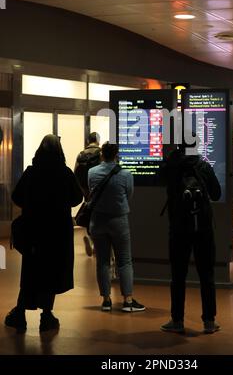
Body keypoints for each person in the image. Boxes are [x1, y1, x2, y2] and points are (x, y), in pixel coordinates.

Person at [5, 135, 83, 332]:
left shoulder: (32, 172)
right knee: (52, 272)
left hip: (34, 231)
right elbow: (77, 198)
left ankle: (20, 314)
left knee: (31, 272)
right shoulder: (65, 173)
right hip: (58, 234)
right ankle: (46, 316)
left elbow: (16, 196)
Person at [160, 145, 221, 334]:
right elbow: (216, 194)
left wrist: (171, 160)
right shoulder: (203, 166)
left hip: (179, 228)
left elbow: (160, 181)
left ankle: (177, 320)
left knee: (178, 276)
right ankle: (209, 321)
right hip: (202, 228)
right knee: (207, 275)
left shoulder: (172, 166)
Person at [88, 142, 145, 312]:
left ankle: (106, 300)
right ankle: (127, 300)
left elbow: (91, 192)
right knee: (124, 261)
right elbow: (129, 195)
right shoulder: (126, 174)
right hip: (119, 220)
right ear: (117, 155)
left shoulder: (92, 172)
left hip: (97, 220)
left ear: (101, 155)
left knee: (102, 261)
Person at [74, 132, 101, 256]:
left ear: (88, 140)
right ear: (98, 140)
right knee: (99, 215)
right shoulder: (101, 153)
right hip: (98, 188)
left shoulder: (81, 154)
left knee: (89, 211)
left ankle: (90, 237)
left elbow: (76, 174)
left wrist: (82, 190)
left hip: (85, 189)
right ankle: (95, 243)